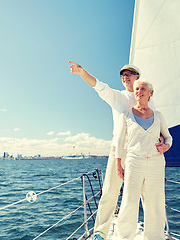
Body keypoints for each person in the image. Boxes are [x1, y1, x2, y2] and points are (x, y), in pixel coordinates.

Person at [69, 61, 161, 240]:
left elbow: (156, 125)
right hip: (118, 150)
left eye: (129, 73)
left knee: (146, 194)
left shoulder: (148, 100)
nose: (125, 76)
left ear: (138, 77)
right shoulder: (117, 97)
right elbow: (98, 85)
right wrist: (82, 73)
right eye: (123, 75)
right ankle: (100, 233)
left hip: (143, 152)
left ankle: (153, 234)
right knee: (110, 191)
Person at [114, 79, 172, 240]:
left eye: (143, 89)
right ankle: (124, 237)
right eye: (137, 89)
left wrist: (166, 146)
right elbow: (119, 142)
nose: (139, 91)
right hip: (134, 162)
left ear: (150, 93)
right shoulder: (127, 115)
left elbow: (168, 137)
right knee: (129, 202)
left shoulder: (158, 116)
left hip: (156, 163)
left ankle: (155, 237)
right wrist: (119, 165)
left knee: (155, 202)